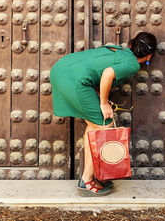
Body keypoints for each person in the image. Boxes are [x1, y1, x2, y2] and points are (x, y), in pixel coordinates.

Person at [50, 32, 157, 197]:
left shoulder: (116, 49)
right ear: (149, 55)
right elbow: (107, 73)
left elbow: (95, 72)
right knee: (103, 126)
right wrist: (103, 102)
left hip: (61, 69)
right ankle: (87, 181)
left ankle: (90, 177)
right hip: (75, 80)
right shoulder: (133, 64)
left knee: (94, 125)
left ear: (131, 44)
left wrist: (101, 97)